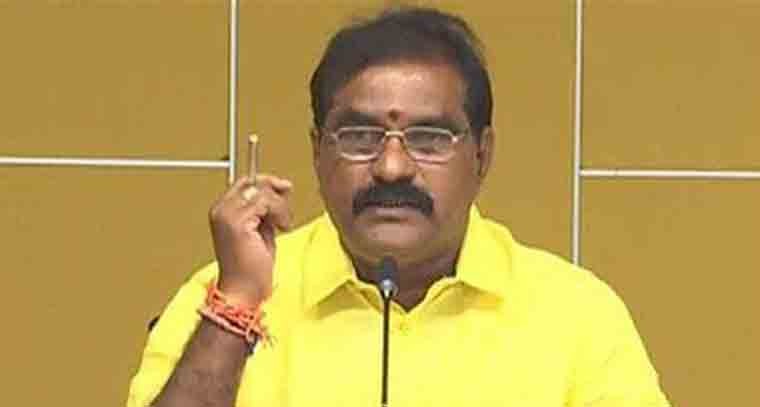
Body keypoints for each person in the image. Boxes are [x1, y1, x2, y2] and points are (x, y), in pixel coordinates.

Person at [127, 6, 670, 407]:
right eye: (360, 136)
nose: (391, 167)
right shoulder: (226, 296)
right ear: (317, 151)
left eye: (429, 138)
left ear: (482, 155)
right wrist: (237, 305)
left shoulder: (574, 314)